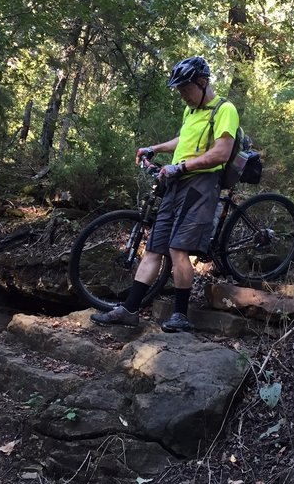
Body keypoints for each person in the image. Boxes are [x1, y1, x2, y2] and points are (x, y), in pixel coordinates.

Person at [90, 56, 239, 332]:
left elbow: (221, 152)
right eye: (179, 89)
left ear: (202, 82)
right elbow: (183, 140)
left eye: (186, 88)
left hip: (201, 184)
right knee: (155, 248)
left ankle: (180, 314)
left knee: (177, 248)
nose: (182, 94)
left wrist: (180, 166)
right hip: (176, 183)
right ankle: (129, 310)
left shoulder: (224, 109)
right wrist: (154, 149)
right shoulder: (191, 111)